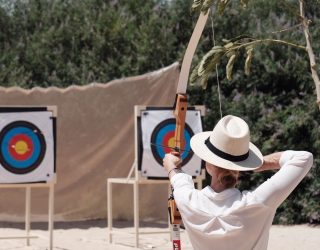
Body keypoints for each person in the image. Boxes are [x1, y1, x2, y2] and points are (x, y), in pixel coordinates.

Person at [163, 115, 313, 250]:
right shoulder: (258, 202)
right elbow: (304, 158)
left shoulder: (188, 201)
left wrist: (172, 166)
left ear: (208, 165)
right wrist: (259, 164)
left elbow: (178, 177)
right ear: (240, 168)